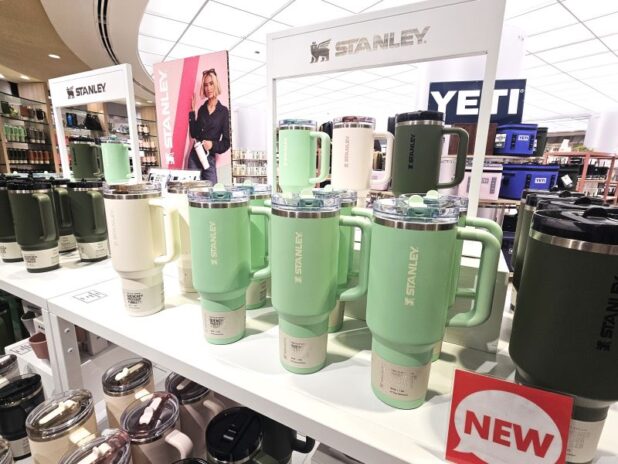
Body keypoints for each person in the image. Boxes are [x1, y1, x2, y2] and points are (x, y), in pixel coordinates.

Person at [188, 68, 230, 182]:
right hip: (195, 156)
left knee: (212, 189)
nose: (208, 88)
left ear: (216, 84)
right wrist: (192, 113)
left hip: (209, 157)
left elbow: (226, 143)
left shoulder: (224, 112)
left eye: (211, 84)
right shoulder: (202, 109)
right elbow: (194, 134)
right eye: (206, 85)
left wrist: (212, 145)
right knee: (193, 190)